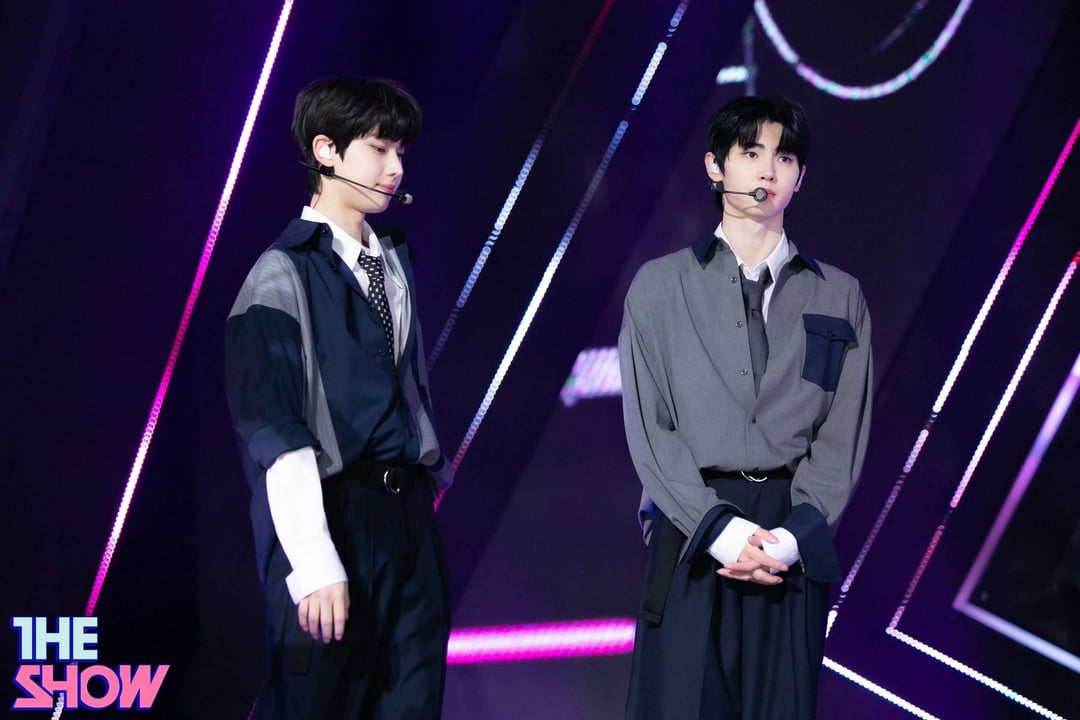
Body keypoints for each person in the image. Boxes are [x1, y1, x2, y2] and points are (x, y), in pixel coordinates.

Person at [618, 95, 873, 719]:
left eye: (784, 157)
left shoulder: (839, 296)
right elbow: (652, 432)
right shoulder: (659, 286)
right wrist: (720, 533)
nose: (767, 170)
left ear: (801, 176)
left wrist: (786, 541)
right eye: (750, 152)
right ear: (715, 166)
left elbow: (842, 436)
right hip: (691, 530)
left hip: (789, 540)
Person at [225, 75, 452, 720]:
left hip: (408, 516)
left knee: (411, 704)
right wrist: (315, 559)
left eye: (400, 151)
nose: (394, 168)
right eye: (379, 149)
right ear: (326, 150)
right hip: (334, 513)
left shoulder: (392, 261)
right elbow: (274, 427)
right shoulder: (281, 273)